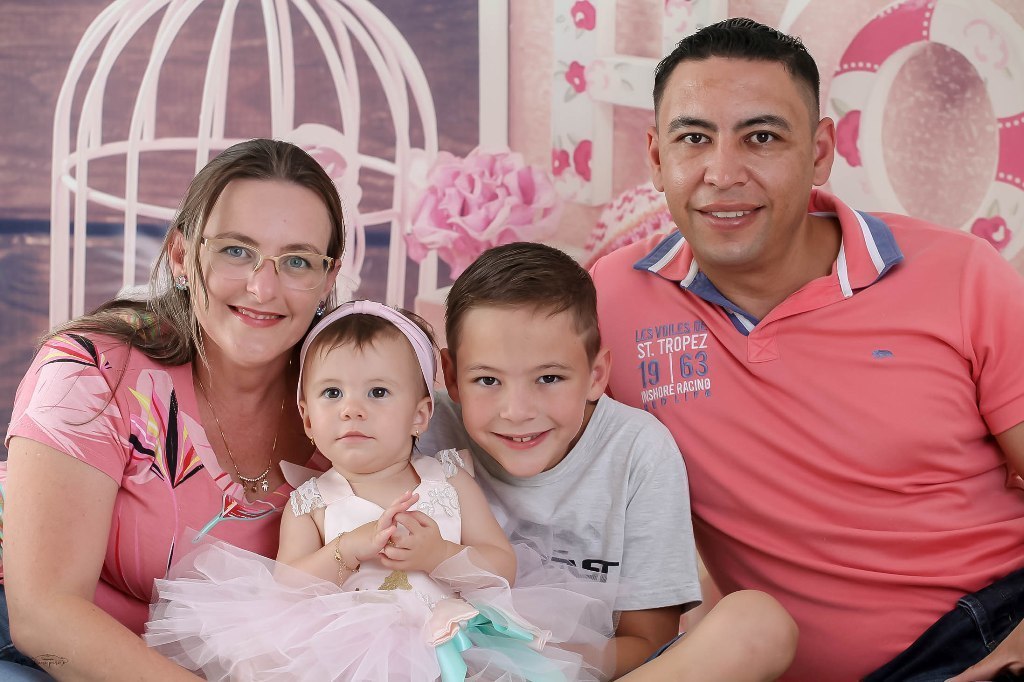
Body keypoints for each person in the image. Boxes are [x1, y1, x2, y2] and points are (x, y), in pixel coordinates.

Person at [588, 16, 1024, 682]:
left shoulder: (961, 274)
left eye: (761, 137)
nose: (722, 173)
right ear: (656, 157)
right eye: (693, 139)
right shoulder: (613, 300)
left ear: (820, 152)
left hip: (996, 624)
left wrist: (1011, 654)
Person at [1, 138, 345, 680]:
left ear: (328, 278)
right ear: (182, 255)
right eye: (236, 250)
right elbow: (43, 616)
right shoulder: (92, 373)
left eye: (297, 261)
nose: (263, 288)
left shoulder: (351, 404)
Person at [146, 299, 614, 681]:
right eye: (332, 393)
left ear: (420, 415)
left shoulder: (447, 479)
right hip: (346, 652)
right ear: (307, 418)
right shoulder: (312, 502)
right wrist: (348, 549)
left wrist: (439, 554)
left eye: (377, 393)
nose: (352, 409)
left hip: (453, 641)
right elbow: (288, 586)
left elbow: (501, 565)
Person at [418, 241, 798, 680]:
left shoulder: (637, 450)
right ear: (451, 376)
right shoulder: (421, 429)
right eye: (487, 380)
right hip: (447, 665)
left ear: (596, 375)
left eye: (549, 378)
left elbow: (648, 642)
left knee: (758, 623)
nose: (517, 411)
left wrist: (539, 661)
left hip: (591, 672)